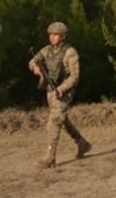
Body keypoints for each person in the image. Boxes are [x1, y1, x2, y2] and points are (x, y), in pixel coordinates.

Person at [28, 22, 91, 168]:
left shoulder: (70, 52)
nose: (52, 37)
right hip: (50, 92)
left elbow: (75, 76)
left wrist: (61, 89)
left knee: (54, 122)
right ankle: (82, 144)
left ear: (63, 36)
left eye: (56, 35)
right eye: (51, 35)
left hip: (64, 93)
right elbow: (32, 61)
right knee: (62, 119)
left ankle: (50, 157)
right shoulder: (46, 50)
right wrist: (35, 68)